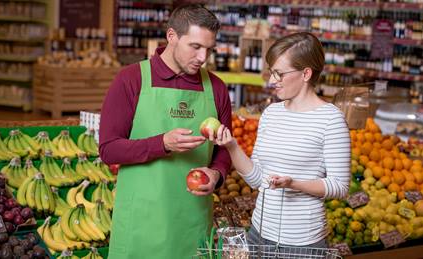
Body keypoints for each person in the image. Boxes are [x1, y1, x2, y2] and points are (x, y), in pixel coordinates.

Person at [99, 4, 232, 259]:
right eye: (195, 47)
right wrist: (162, 144)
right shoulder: (131, 79)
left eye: (209, 49)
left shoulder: (216, 88)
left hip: (192, 223)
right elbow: (108, 149)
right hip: (141, 223)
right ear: (172, 36)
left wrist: (217, 174)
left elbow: (225, 149)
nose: (203, 57)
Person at [215, 32, 350, 252]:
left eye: (279, 74)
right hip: (258, 234)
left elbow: (340, 186)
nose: (271, 81)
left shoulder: (331, 119)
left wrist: (293, 183)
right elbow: (257, 180)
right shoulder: (271, 113)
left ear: (306, 73)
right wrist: (231, 146)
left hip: (301, 244)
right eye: (271, 72)